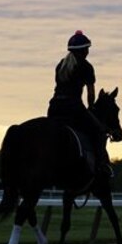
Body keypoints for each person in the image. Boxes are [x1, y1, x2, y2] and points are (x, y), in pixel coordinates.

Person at [47, 30, 110, 176]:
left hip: (54, 107)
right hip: (73, 107)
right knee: (98, 131)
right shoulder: (87, 67)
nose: (88, 51)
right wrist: (91, 108)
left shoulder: (61, 65)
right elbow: (91, 94)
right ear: (84, 51)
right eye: (87, 49)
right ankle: (101, 165)